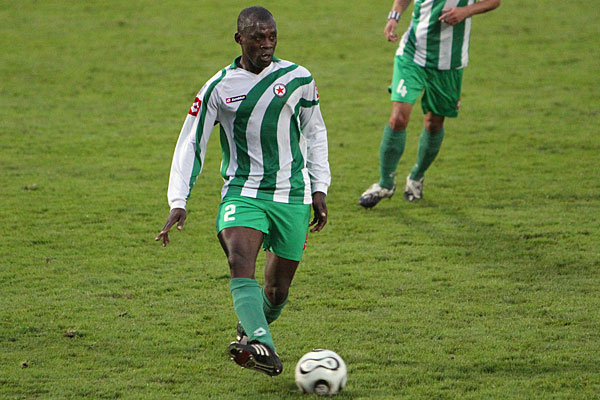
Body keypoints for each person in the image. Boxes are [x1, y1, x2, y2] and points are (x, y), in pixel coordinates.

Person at [155, 6, 330, 376]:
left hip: (291, 194)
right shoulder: (219, 87)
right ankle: (263, 346)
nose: (266, 45)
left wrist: (320, 188)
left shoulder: (298, 78)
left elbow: (315, 133)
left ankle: (252, 327)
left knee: (277, 291)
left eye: (272, 37)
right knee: (239, 258)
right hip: (243, 191)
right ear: (239, 39)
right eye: (257, 37)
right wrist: (178, 200)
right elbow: (191, 143)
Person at [359, 0, 500, 208]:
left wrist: (465, 11)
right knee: (398, 118)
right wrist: (394, 16)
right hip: (412, 54)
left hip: (448, 62)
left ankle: (416, 177)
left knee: (434, 123)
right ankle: (384, 183)